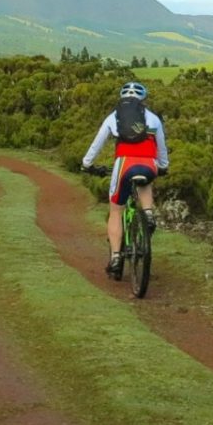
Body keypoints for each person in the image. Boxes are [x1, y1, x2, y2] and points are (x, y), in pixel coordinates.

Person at [80, 80, 169, 277]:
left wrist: (87, 164)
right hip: (148, 164)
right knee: (145, 183)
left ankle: (116, 257)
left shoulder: (114, 117)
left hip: (124, 164)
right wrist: (162, 167)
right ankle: (148, 214)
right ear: (142, 99)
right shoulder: (153, 118)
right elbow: (162, 148)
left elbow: (97, 143)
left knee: (116, 210)